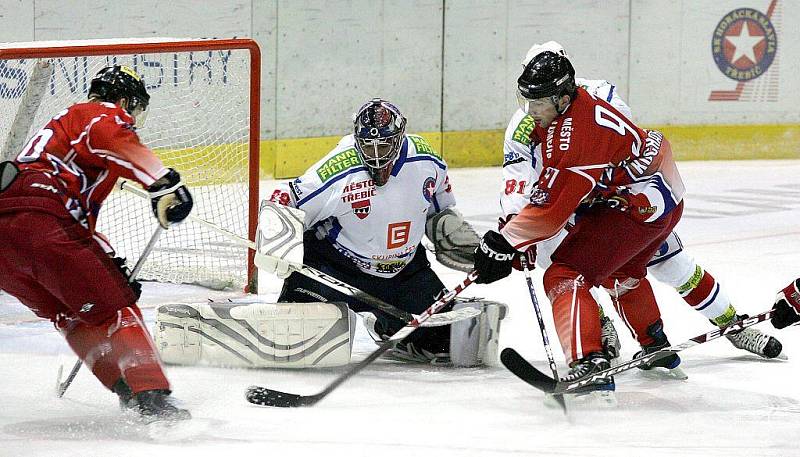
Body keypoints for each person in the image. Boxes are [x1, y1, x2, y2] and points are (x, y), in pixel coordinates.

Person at [500, 42, 783, 367]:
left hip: (616, 200)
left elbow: (611, 147)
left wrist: (514, 235)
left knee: (671, 265)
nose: (531, 105)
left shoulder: (596, 95)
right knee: (597, 272)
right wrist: (512, 221)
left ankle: (731, 325)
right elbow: (517, 176)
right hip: (574, 204)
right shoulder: (525, 123)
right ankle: (616, 331)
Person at [474, 48, 688, 396]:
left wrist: (504, 242)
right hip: (660, 195)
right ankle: (656, 345)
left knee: (563, 275)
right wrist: (513, 238)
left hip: (637, 204)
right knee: (621, 271)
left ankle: (588, 363)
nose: (531, 111)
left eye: (539, 102)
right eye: (527, 101)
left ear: (561, 97)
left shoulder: (576, 135)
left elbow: (550, 212)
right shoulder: (574, 108)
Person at [0, 66, 193, 422]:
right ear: (124, 100)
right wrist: (162, 182)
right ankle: (152, 401)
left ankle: (126, 391)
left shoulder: (59, 132)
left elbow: (69, 225)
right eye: (134, 109)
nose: (132, 119)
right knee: (116, 309)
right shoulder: (98, 113)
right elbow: (111, 136)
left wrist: (104, 262)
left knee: (71, 315)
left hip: (8, 244)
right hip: (40, 223)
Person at [262, 98, 503, 365]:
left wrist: (475, 252)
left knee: (446, 345)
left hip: (404, 275)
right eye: (367, 145)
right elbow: (285, 198)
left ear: (400, 137)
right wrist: (277, 242)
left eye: (385, 144)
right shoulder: (338, 169)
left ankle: (387, 325)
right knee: (296, 341)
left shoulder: (427, 161)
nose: (376, 154)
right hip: (333, 271)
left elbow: (440, 213)